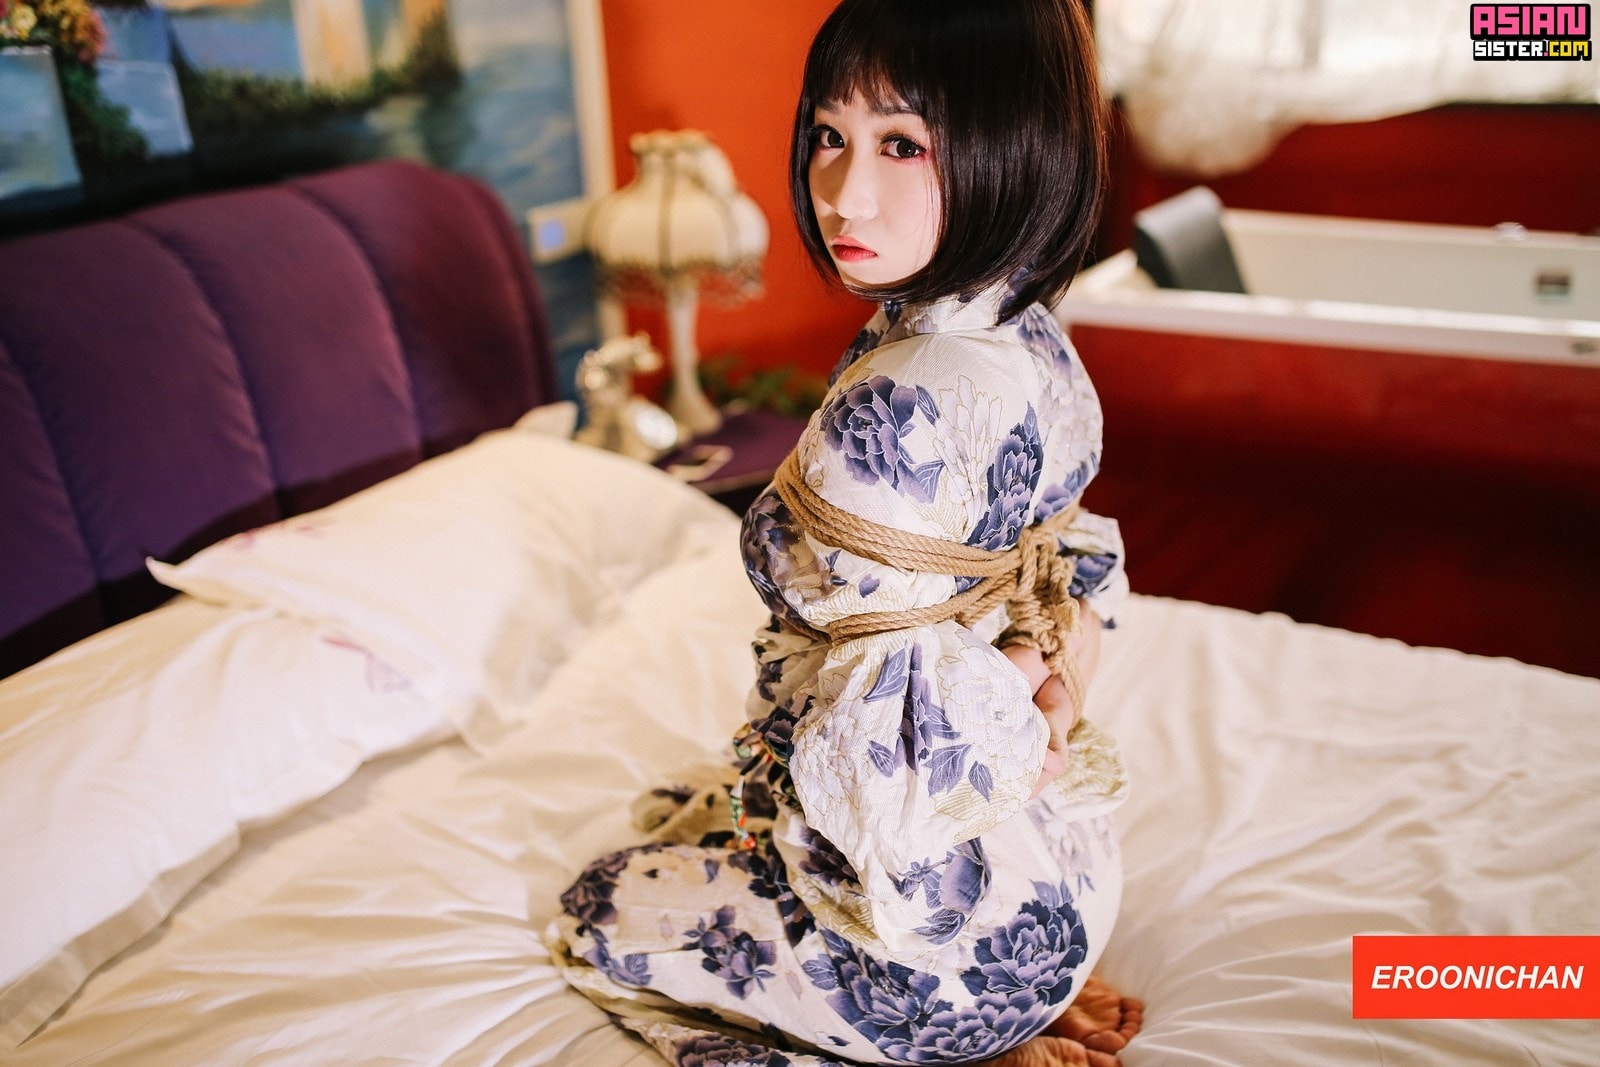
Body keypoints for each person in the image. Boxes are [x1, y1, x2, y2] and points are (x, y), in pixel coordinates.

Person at [547, 1, 1141, 1063]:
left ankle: (974, 1043)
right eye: (830, 134)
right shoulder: (1025, 326)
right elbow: (1067, 567)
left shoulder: (894, 406)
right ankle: (1031, 987)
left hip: (935, 962)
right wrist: (1039, 677)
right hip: (1066, 884)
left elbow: (881, 783)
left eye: (902, 143)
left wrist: (1007, 680)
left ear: (1013, 146)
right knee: (698, 809)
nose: (843, 193)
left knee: (593, 910)